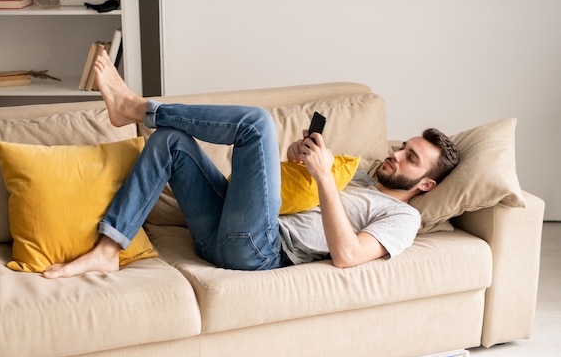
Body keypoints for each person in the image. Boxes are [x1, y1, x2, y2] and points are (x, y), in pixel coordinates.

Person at [42, 51, 459, 279]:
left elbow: (348, 255)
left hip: (260, 249)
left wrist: (323, 178)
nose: (396, 153)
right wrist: (296, 162)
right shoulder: (361, 173)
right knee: (171, 141)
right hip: (220, 230)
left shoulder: (402, 216)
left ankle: (135, 107)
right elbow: (278, 196)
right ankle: (107, 249)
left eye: (410, 158)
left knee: (257, 122)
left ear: (425, 185)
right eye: (403, 145)